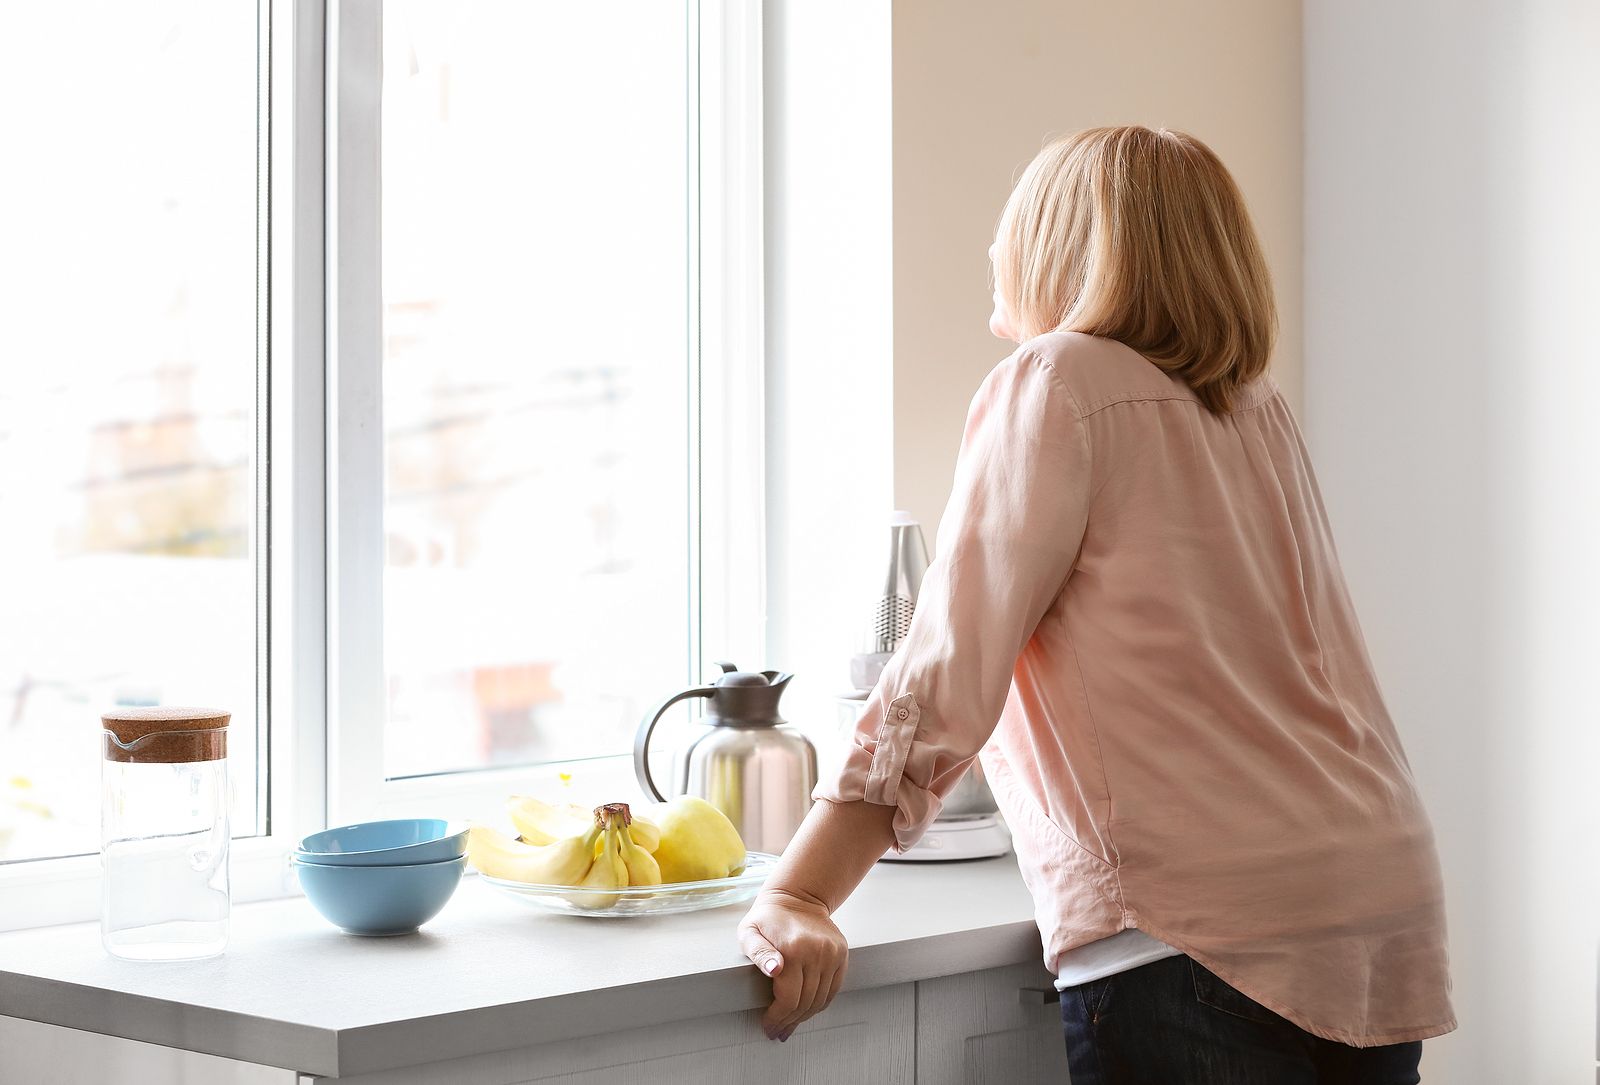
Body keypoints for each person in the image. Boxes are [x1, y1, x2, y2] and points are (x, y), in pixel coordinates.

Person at [736, 126, 1455, 1083]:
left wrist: (800, 889)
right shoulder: (1254, 407)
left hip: (1198, 923)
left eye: (1014, 227)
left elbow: (945, 670)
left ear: (1065, 247)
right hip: (1368, 891)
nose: (995, 259)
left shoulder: (1055, 380)